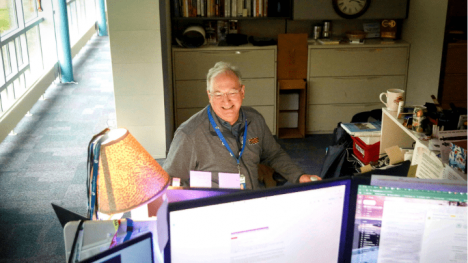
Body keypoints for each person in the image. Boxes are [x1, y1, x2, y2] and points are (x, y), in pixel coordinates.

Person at [163, 61, 321, 189]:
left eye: (232, 92)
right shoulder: (189, 134)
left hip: (252, 200)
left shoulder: (255, 121)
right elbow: (170, 180)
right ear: (209, 96)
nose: (226, 101)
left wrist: (299, 176)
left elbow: (274, 154)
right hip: (214, 210)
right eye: (218, 94)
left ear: (242, 92)